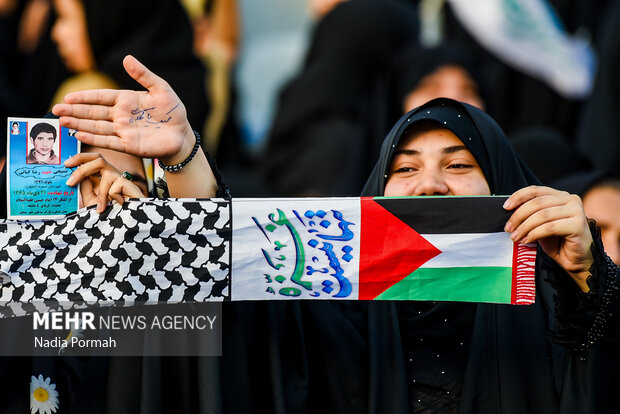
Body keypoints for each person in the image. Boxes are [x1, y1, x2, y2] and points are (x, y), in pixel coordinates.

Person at [52, 57, 619, 412]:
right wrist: (184, 157)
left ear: (506, 186)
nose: (429, 186)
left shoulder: (562, 305)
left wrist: (589, 280)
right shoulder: (338, 304)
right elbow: (235, 281)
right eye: (405, 169)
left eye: (459, 165)